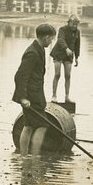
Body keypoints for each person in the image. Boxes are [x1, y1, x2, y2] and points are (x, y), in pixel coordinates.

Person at [12, 23, 57, 152]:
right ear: (46, 37)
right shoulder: (32, 52)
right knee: (42, 125)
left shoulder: (39, 49)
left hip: (36, 95)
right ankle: (35, 157)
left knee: (29, 125)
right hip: (31, 97)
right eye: (51, 39)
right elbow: (20, 76)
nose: (51, 41)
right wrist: (23, 98)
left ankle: (24, 156)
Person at [51, 15, 81, 102]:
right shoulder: (62, 29)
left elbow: (77, 45)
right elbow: (60, 40)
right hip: (59, 53)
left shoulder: (77, 32)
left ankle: (67, 97)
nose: (75, 26)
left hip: (69, 55)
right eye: (73, 24)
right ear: (69, 22)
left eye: (76, 24)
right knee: (57, 74)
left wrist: (77, 57)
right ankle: (54, 96)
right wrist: (66, 48)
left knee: (68, 75)